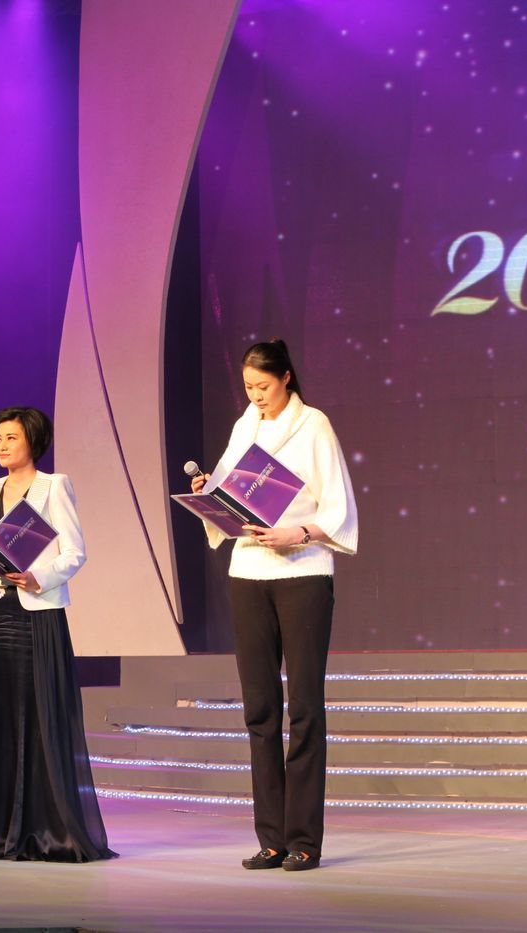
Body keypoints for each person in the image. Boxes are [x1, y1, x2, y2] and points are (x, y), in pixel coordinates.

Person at [191, 339, 358, 872]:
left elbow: (337, 507)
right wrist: (210, 494)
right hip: (249, 572)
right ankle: (271, 838)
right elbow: (229, 498)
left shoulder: (314, 425)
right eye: (248, 387)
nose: (256, 396)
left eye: (263, 386)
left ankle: (304, 839)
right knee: (260, 709)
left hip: (302, 573)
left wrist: (298, 533)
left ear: (286, 377)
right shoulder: (245, 426)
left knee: (304, 706)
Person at [0, 406, 116, 862]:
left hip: (35, 614)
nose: (2, 445)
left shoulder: (53, 485)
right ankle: (1, 830)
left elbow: (74, 553)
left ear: (33, 441)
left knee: (37, 717)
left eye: (12, 437)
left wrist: (38, 576)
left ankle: (47, 830)